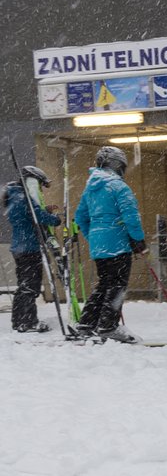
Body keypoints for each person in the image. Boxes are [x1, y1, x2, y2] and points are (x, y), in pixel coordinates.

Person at [74, 147, 147, 343]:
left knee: (104, 284)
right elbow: (131, 216)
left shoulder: (90, 188)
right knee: (117, 286)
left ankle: (87, 324)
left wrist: (95, 236)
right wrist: (138, 240)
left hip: (99, 246)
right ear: (118, 165)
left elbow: (80, 217)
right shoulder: (118, 187)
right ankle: (108, 326)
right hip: (118, 244)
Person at [3, 166, 61, 333]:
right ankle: (27, 322)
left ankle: (20, 321)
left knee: (26, 285)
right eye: (40, 186)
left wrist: (44, 211)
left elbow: (32, 213)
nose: (41, 191)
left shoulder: (17, 195)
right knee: (30, 286)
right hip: (28, 247)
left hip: (22, 246)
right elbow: (36, 216)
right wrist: (54, 219)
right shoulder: (23, 197)